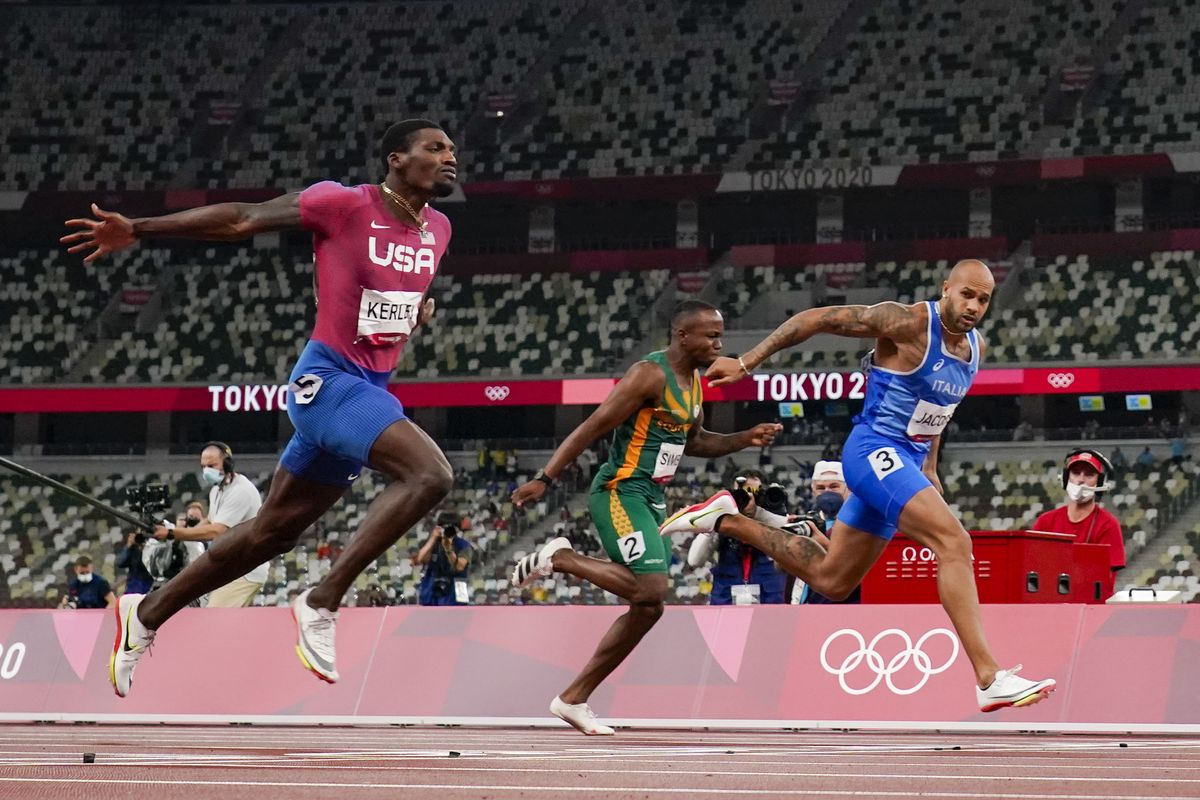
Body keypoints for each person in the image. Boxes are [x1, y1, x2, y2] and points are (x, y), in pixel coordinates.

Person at [63, 118, 458, 697]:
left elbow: (396, 300)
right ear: (397, 159)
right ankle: (322, 601)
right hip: (326, 383)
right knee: (431, 476)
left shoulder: (439, 230)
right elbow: (242, 218)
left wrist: (415, 314)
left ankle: (145, 615)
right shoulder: (344, 204)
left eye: (452, 149)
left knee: (271, 533)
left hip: (367, 390)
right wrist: (141, 228)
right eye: (436, 148)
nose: (450, 157)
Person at [662, 260, 1056, 712]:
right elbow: (815, 319)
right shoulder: (904, 322)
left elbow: (937, 406)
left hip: (904, 460)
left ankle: (725, 521)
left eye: (983, 299)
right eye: (966, 294)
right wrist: (748, 361)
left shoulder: (974, 347)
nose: (973, 306)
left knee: (833, 579)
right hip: (872, 450)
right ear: (946, 289)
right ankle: (988, 676)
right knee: (954, 542)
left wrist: (928, 465)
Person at [509, 300, 781, 735]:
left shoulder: (693, 383)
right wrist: (545, 478)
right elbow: (592, 426)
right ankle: (561, 559)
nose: (719, 342)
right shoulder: (648, 374)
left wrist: (745, 438)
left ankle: (573, 699)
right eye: (710, 335)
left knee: (649, 607)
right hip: (619, 491)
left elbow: (697, 442)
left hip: (651, 496)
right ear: (682, 336)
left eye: (720, 334)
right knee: (653, 587)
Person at [157, 443, 267, 608]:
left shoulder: (240, 491)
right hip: (230, 567)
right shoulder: (217, 490)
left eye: (212, 465)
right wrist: (183, 533)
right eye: (203, 466)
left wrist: (173, 533)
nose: (207, 471)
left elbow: (217, 530)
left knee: (214, 618)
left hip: (244, 570)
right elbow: (210, 520)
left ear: (227, 463)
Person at [1031, 449, 1125, 597]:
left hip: (1091, 610)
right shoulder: (1045, 522)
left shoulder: (1108, 525)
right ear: (1066, 478)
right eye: (1075, 473)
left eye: (1088, 474)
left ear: (1100, 482)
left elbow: (1102, 578)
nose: (1081, 480)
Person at [688, 470, 789, 605]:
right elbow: (694, 560)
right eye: (741, 493)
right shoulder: (722, 523)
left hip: (768, 606)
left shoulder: (775, 522)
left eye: (753, 492)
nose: (747, 497)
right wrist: (715, 518)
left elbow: (786, 529)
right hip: (727, 604)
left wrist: (759, 513)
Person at [791, 460, 860, 604]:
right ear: (813, 490)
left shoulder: (861, 524)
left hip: (845, 607)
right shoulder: (805, 523)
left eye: (834, 486)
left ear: (848, 489)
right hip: (808, 605)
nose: (827, 492)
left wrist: (822, 543)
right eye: (821, 487)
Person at [412, 513, 472, 606]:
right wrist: (433, 538)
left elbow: (459, 567)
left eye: (452, 529)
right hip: (432, 589)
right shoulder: (432, 543)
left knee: (458, 618)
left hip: (457, 590)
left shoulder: (463, 545)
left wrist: (448, 549)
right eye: (445, 528)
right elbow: (420, 559)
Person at [115, 531, 153, 595]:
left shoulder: (155, 546)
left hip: (150, 585)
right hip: (134, 588)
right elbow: (120, 563)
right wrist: (128, 546)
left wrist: (145, 547)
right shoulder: (133, 549)